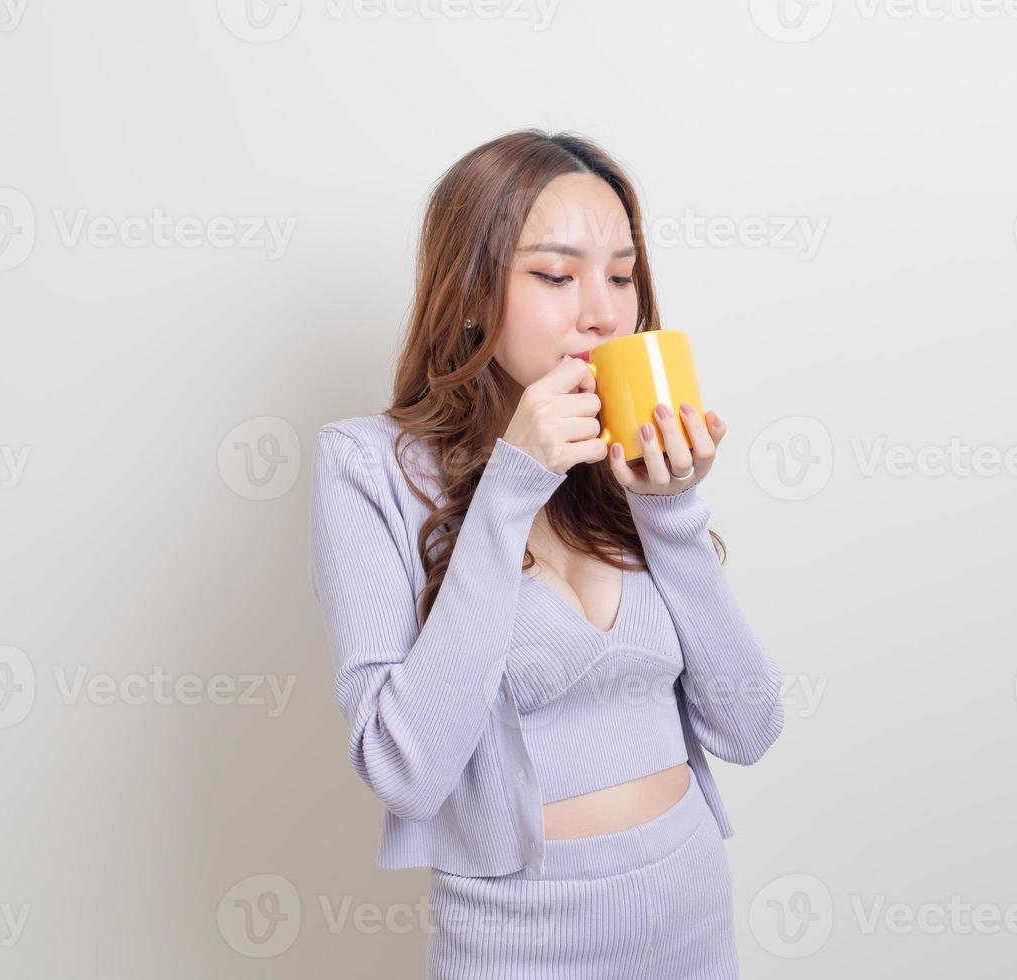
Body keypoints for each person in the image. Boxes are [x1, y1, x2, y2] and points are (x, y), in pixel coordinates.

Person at [309, 129, 786, 978]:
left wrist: (667, 509)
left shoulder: (625, 462)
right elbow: (405, 771)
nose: (600, 310)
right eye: (556, 275)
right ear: (468, 293)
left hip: (690, 913)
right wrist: (509, 488)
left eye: (622, 275)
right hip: (518, 940)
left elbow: (750, 727)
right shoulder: (366, 466)